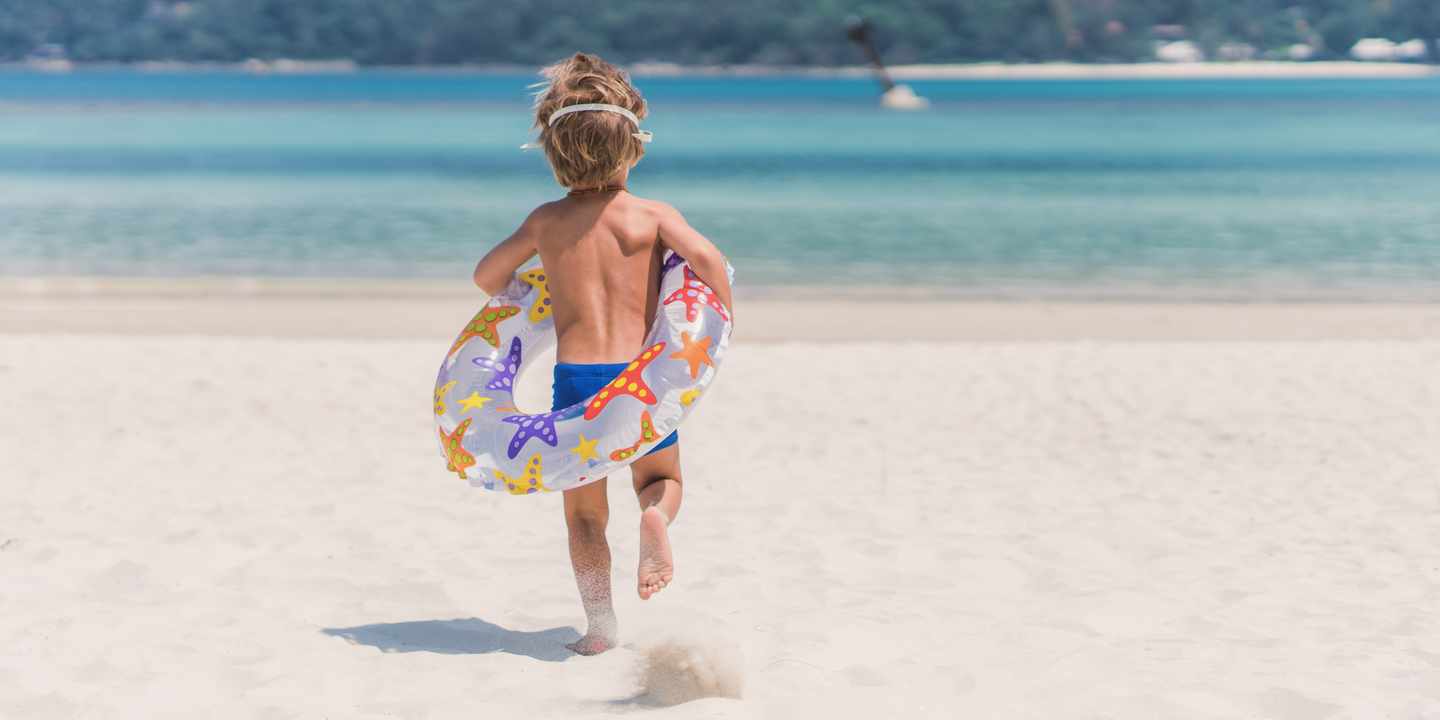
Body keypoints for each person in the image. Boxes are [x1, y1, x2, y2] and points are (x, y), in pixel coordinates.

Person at [472, 53, 734, 656]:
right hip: (641, 376)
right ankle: (654, 520)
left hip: (576, 378)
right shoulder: (652, 216)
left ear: (554, 155)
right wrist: (716, 319)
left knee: (585, 516)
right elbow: (708, 262)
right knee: (660, 477)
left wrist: (532, 293)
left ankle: (599, 627)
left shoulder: (546, 221)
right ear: (632, 151)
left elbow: (487, 277)